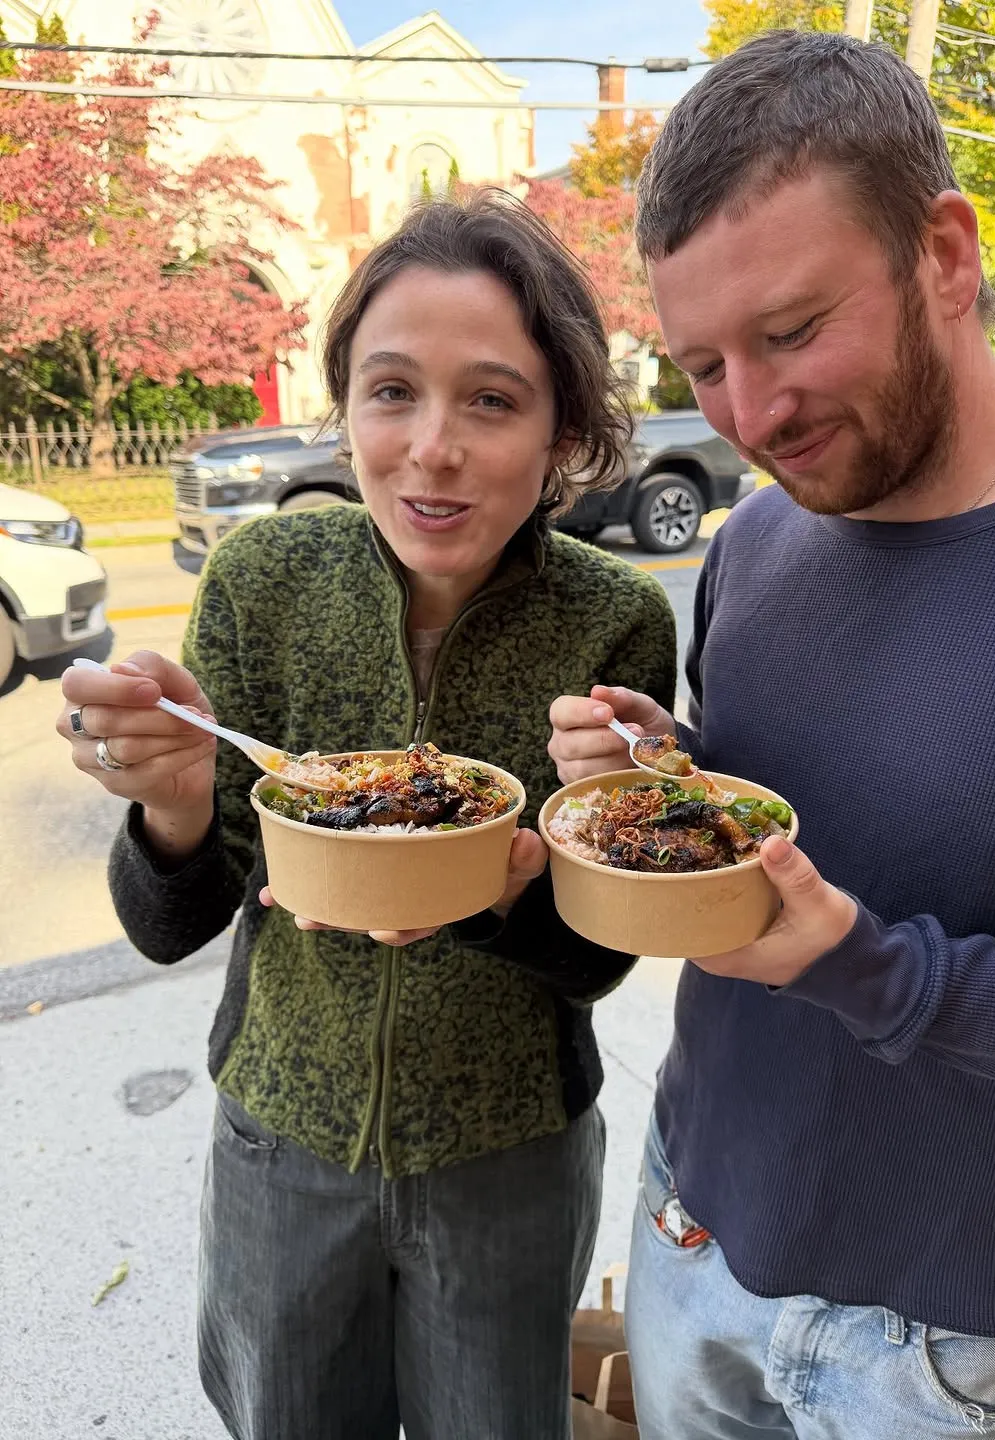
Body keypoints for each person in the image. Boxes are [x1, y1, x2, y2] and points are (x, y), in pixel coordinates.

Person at [58, 191, 676, 1440]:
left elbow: (599, 958)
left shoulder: (615, 621)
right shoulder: (264, 579)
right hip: (282, 1148)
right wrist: (176, 807)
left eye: (492, 401)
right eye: (391, 391)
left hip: (511, 1159)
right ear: (345, 407)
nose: (431, 448)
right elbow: (169, 925)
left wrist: (537, 875)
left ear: (563, 434)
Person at [549, 30, 995, 1440]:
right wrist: (672, 770)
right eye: (704, 363)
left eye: (789, 332)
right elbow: (782, 790)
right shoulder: (761, 535)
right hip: (692, 1224)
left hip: (946, 1335)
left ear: (947, 257)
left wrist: (874, 971)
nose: (751, 415)